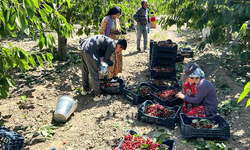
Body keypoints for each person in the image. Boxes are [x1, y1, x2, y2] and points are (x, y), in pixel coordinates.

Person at [79, 35, 127, 101]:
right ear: (119, 45)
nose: (119, 51)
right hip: (90, 50)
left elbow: (102, 56)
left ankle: (85, 90)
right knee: (94, 73)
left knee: (85, 70)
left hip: (84, 47)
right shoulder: (113, 45)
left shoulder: (110, 41)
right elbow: (106, 59)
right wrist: (111, 63)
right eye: (120, 49)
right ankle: (98, 95)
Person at [100, 6, 122, 79]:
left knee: (116, 58)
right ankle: (109, 75)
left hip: (117, 44)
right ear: (113, 13)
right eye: (116, 14)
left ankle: (115, 74)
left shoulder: (117, 20)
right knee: (110, 58)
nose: (117, 16)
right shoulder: (106, 19)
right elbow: (102, 31)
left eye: (118, 15)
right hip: (109, 43)